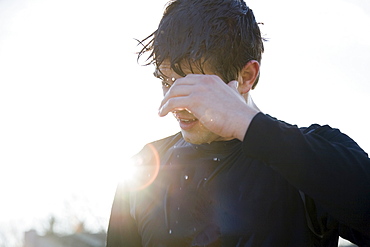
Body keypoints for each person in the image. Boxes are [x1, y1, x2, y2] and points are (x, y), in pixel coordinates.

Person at [106, 0, 370, 246]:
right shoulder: (144, 169)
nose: (176, 102)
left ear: (246, 76)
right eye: (167, 82)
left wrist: (248, 124)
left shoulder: (315, 153)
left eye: (194, 86)